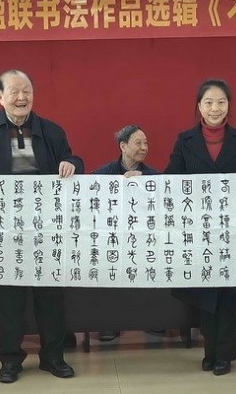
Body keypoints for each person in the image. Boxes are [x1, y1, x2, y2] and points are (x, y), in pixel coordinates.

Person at [0, 70, 83, 383]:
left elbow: (73, 159)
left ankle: (53, 357)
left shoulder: (51, 130)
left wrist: (72, 164)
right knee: (9, 299)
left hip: (45, 229)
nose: (22, 97)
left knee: (50, 297)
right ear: (0, 97)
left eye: (27, 91)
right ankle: (10, 360)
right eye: (14, 91)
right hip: (5, 230)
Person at [165, 79, 236, 376]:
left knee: (228, 295)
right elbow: (170, 179)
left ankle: (224, 355)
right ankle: (210, 352)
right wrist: (140, 179)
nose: (215, 108)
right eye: (208, 102)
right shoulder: (184, 141)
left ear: (228, 106)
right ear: (199, 106)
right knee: (206, 295)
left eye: (221, 102)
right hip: (199, 231)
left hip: (232, 231)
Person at [92, 125, 159, 341]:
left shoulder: (154, 176)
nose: (144, 147)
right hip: (112, 239)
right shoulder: (103, 174)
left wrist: (145, 184)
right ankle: (109, 323)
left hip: (144, 240)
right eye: (138, 143)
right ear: (123, 146)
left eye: (146, 143)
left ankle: (155, 320)